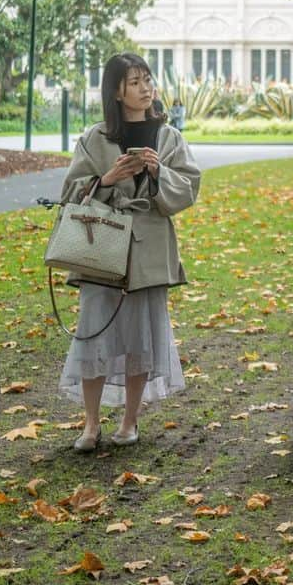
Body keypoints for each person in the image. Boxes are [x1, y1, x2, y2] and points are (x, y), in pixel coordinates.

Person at [59, 53, 200, 450]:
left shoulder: (169, 137)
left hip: (150, 248)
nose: (145, 88)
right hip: (100, 246)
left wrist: (159, 173)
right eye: (134, 81)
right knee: (93, 331)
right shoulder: (95, 137)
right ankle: (90, 424)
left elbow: (189, 188)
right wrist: (106, 180)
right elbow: (70, 193)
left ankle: (130, 421)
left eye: (147, 79)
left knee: (141, 336)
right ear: (116, 91)